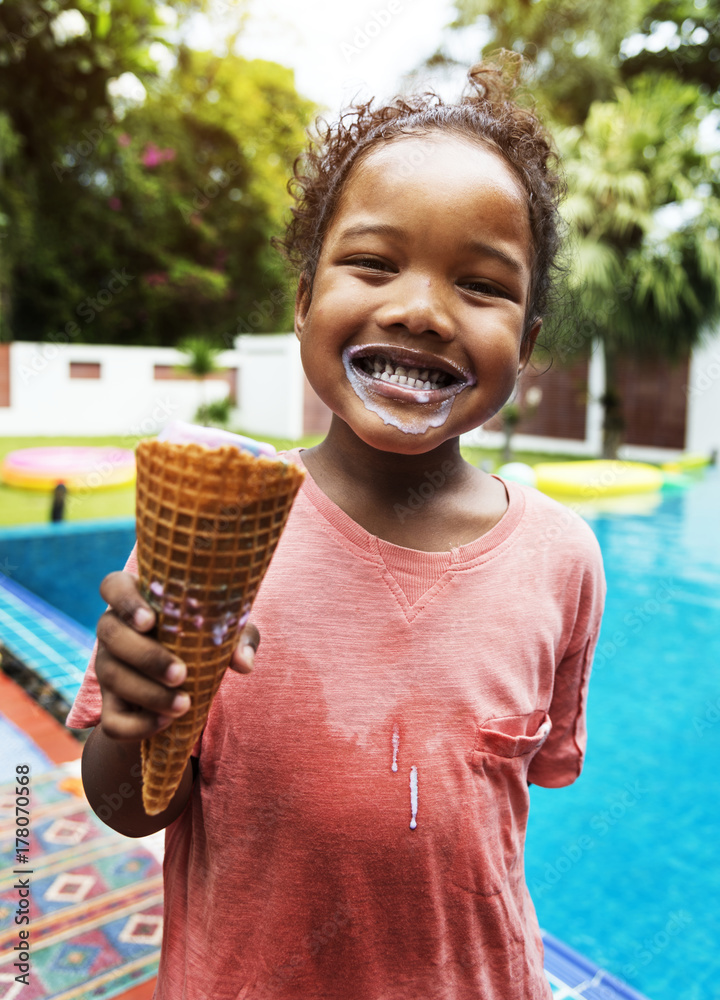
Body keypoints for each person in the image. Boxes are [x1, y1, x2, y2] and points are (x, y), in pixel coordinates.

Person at [68, 58, 606, 1000]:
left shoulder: (564, 560)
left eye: (482, 286)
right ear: (304, 298)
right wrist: (128, 718)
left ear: (524, 344)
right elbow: (130, 809)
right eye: (372, 262)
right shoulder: (219, 539)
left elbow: (503, 813)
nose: (421, 311)